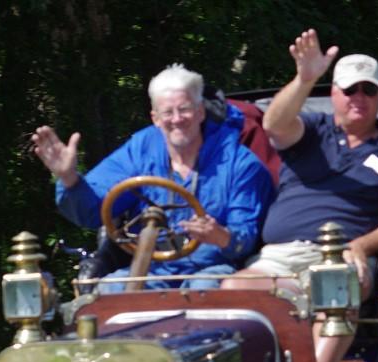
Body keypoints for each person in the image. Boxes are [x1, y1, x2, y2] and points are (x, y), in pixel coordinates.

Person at [222, 29, 378, 362]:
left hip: (343, 259)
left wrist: (360, 246)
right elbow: (274, 125)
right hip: (282, 256)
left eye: (369, 89)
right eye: (350, 89)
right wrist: (305, 78)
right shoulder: (312, 131)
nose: (359, 97)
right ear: (334, 93)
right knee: (233, 290)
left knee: (337, 289)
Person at [32, 64, 273, 292]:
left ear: (200, 112)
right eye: (168, 112)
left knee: (204, 289)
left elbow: (246, 235)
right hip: (152, 269)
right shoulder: (140, 150)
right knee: (109, 290)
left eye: (185, 109)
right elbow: (93, 209)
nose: (177, 119)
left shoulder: (240, 163)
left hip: (212, 270)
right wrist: (70, 179)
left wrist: (221, 236)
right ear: (155, 117)